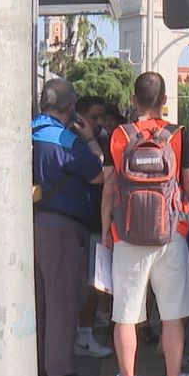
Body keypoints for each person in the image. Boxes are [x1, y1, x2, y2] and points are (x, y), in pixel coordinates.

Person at [102, 72, 189, 376]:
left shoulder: (118, 136)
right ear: (165, 102)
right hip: (170, 235)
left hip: (128, 236)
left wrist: (106, 231)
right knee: (172, 315)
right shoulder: (177, 136)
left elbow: (109, 189)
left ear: (134, 100)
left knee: (126, 314)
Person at [33, 78, 106, 376]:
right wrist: (89, 138)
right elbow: (98, 174)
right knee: (62, 301)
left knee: (36, 301)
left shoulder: (27, 133)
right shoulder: (66, 140)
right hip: (61, 228)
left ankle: (34, 365)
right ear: (71, 108)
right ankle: (59, 371)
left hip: (28, 224)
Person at [71, 95, 113, 360]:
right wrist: (90, 139)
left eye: (101, 117)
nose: (98, 123)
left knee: (95, 282)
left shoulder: (101, 138)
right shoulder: (77, 142)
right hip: (85, 221)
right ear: (80, 116)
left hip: (94, 221)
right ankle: (83, 335)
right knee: (90, 283)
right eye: (94, 117)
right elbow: (102, 172)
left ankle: (84, 332)